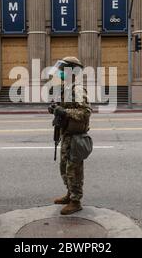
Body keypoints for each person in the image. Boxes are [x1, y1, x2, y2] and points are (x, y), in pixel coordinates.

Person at [48, 57, 92, 215]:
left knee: (74, 169)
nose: (59, 73)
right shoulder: (67, 88)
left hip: (76, 136)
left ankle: (76, 201)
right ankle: (69, 194)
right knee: (64, 167)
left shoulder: (78, 89)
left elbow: (85, 112)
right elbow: (65, 108)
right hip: (67, 135)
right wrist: (55, 108)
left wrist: (64, 112)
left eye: (62, 70)